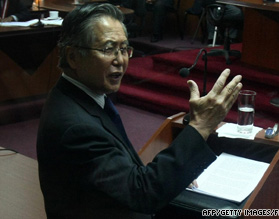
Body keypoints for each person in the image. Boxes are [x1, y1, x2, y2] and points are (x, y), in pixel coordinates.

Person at [36, 3, 242, 219]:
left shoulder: (81, 96)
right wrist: (200, 126)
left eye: (124, 49)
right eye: (108, 49)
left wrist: (176, 173)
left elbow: (124, 175)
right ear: (73, 57)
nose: (120, 60)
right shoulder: (75, 127)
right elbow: (143, 193)